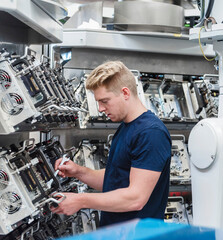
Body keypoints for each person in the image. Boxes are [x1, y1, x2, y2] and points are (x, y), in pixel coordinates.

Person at [51, 61, 172, 227]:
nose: (100, 108)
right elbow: (115, 179)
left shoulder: (151, 133)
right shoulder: (126, 127)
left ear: (125, 93)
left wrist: (81, 200)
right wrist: (79, 172)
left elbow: (136, 199)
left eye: (105, 101)